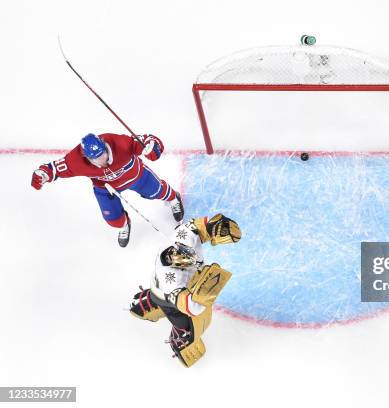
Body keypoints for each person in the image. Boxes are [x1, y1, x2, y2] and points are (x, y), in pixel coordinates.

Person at [30, 133, 184, 247]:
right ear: (86, 156)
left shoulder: (120, 143)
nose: (101, 160)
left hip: (135, 176)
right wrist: (43, 174)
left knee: (159, 191)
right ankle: (124, 225)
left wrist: (153, 148)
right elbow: (54, 168)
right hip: (106, 188)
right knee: (113, 220)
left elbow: (148, 141)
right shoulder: (76, 160)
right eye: (95, 159)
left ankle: (173, 199)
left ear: (104, 146)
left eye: (102, 154)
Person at [130, 214, 241, 367]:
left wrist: (215, 226)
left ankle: (150, 301)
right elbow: (192, 307)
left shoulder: (181, 239)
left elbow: (195, 226)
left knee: (171, 298)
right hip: (168, 298)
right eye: (181, 260)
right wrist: (207, 289)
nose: (189, 260)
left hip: (166, 289)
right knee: (184, 321)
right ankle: (181, 337)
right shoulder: (170, 279)